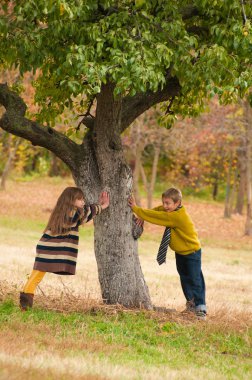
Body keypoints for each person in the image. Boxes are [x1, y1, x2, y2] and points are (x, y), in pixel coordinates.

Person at [20, 187, 110, 311]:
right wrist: (103, 206)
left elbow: (85, 216)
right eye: (79, 199)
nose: (83, 202)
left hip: (47, 249)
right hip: (48, 250)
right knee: (36, 277)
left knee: (36, 277)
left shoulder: (66, 212)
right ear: (70, 200)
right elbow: (84, 213)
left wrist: (99, 206)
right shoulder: (71, 213)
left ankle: (24, 305)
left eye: (83, 199)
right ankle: (24, 306)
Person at [128, 187, 207, 320]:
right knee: (185, 279)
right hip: (181, 253)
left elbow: (158, 216)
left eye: (168, 203)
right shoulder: (171, 210)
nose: (165, 206)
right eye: (164, 202)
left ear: (177, 203)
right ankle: (191, 306)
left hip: (192, 253)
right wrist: (143, 216)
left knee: (195, 279)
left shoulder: (176, 216)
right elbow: (156, 211)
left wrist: (137, 209)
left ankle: (201, 309)